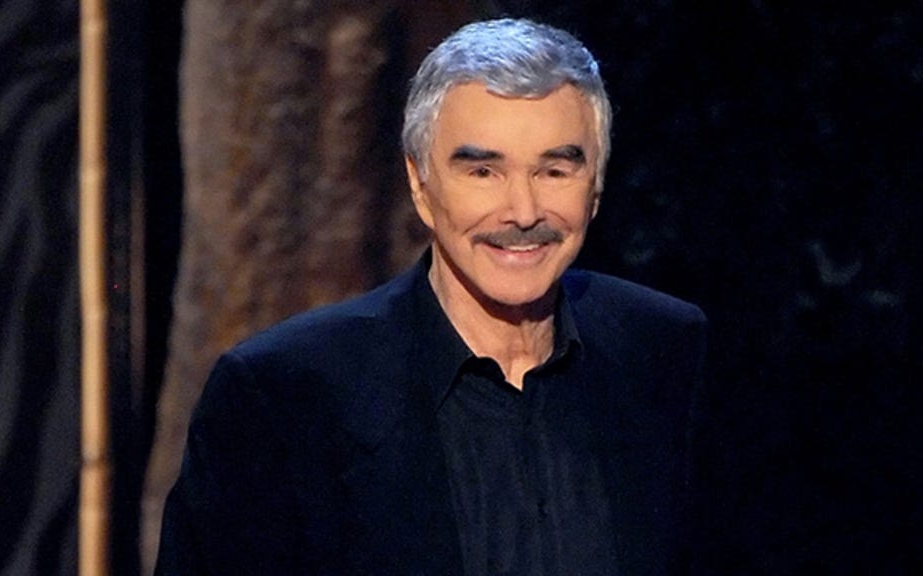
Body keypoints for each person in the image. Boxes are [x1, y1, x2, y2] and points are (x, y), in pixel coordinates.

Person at [155, 18, 706, 576]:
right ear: (420, 185)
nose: (523, 211)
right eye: (484, 171)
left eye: (555, 170)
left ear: (596, 186)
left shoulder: (667, 351)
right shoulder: (280, 398)